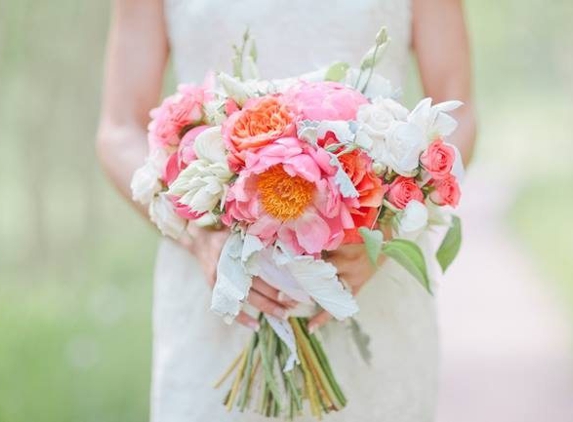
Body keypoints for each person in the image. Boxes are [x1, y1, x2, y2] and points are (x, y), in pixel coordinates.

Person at [96, 0, 476, 420]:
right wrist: (198, 236)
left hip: (372, 281)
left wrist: (384, 234)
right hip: (217, 293)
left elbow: (460, 112)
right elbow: (119, 130)